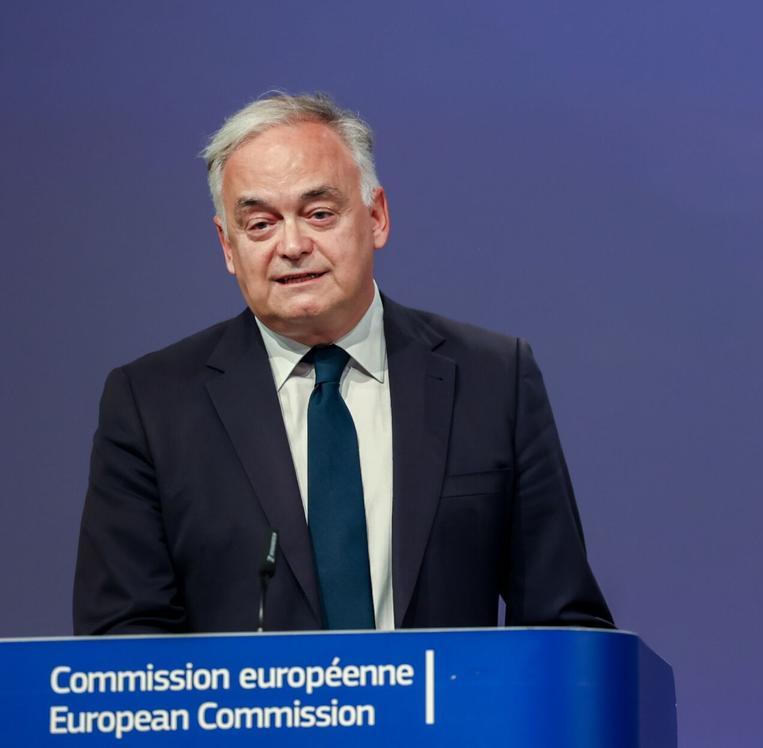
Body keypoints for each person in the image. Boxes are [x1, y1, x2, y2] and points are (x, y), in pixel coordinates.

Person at [73, 92, 613, 634]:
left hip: (441, 717)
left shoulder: (493, 380)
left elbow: (562, 623)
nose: (292, 244)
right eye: (260, 224)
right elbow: (122, 643)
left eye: (319, 213)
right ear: (228, 246)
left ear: (376, 216)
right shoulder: (152, 404)